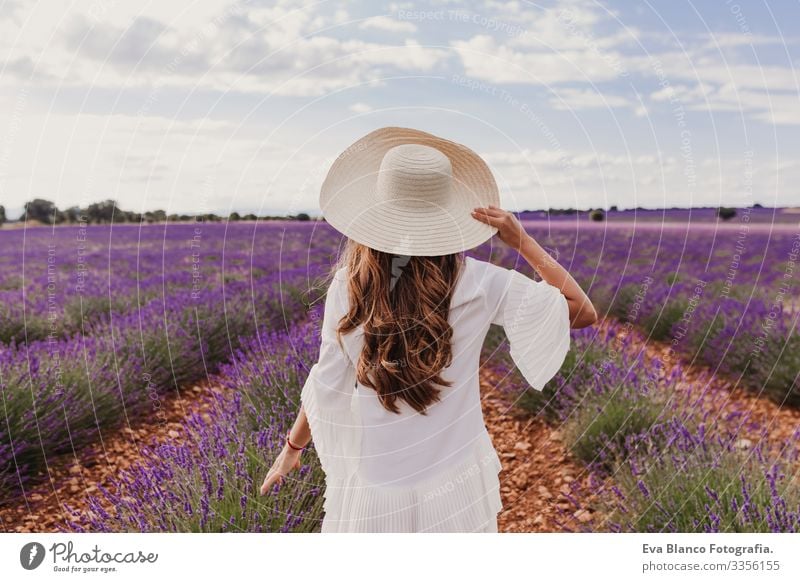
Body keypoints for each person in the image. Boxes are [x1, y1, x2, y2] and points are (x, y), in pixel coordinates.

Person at [259, 126, 598, 532]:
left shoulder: (349, 286)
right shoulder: (479, 282)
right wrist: (522, 241)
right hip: (454, 486)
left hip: (375, 486)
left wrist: (291, 450)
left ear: (375, 214)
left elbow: (327, 383)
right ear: (447, 214)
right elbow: (581, 311)